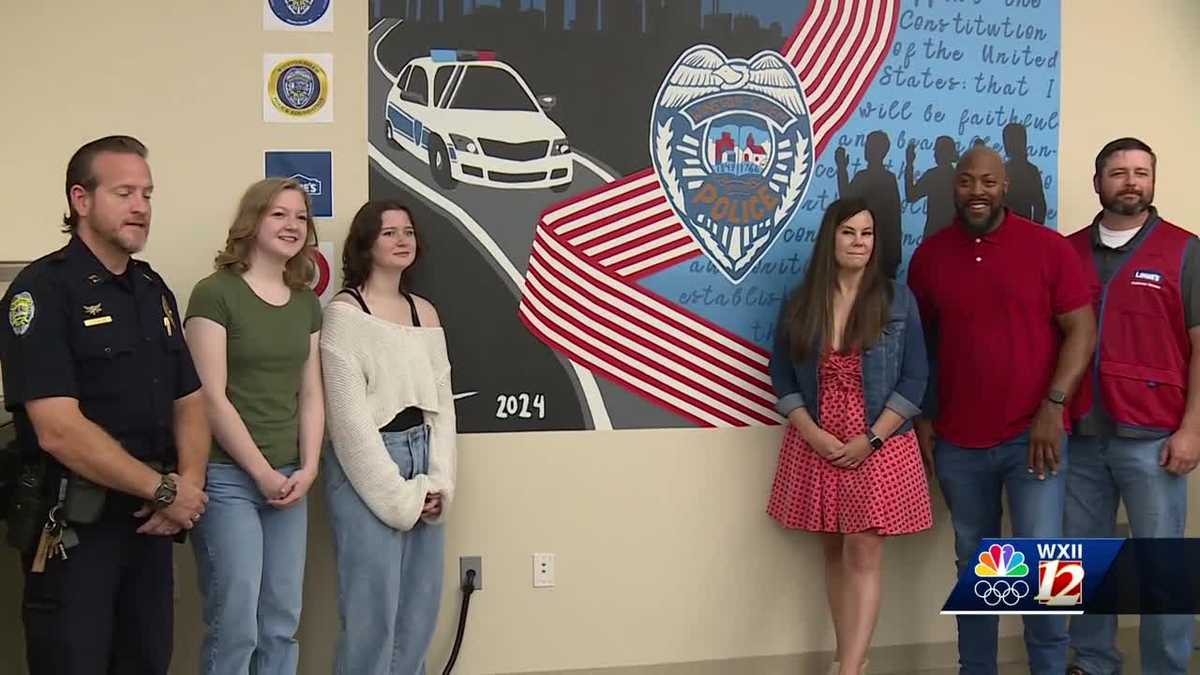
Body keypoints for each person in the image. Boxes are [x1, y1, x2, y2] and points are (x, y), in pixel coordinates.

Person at [0, 135, 209, 674]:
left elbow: (188, 398)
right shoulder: (41, 291)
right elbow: (58, 429)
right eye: (124, 192)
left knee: (146, 661)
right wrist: (164, 489)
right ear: (81, 200)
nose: (140, 206)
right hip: (75, 531)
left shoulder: (151, 289)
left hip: (151, 525)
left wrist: (188, 486)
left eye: (147, 194)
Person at [908, 147, 1096, 675]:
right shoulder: (931, 256)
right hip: (960, 442)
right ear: (954, 187)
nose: (976, 191)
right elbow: (921, 343)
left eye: (987, 181)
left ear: (1005, 184)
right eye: (966, 181)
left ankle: (1051, 669)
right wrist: (925, 417)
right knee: (977, 563)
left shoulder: (1048, 249)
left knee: (1045, 561)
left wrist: (1053, 407)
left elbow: (1082, 329)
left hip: (1033, 437)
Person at [768, 198, 931, 675]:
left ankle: (851, 669)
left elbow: (916, 378)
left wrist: (873, 439)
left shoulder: (899, 299)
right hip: (817, 442)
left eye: (867, 233)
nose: (859, 242)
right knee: (835, 549)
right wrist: (812, 433)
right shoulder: (800, 302)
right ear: (830, 239)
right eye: (849, 232)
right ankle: (849, 657)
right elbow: (782, 374)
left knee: (863, 548)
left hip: (878, 443)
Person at [1063, 137, 1198, 675]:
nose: (1131, 181)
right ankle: (1092, 662)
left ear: (1153, 180)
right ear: (1097, 183)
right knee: (1078, 564)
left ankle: (1166, 667)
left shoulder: (1186, 251)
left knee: (1161, 565)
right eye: (1118, 172)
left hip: (1157, 439)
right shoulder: (1065, 252)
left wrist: (1193, 430)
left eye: (1141, 171)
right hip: (1081, 436)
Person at [185, 177, 324, 675]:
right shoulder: (214, 294)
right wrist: (262, 473)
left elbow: (311, 392)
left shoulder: (306, 302)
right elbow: (211, 398)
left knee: (282, 621)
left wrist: (307, 468)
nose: (292, 226)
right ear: (252, 222)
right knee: (237, 622)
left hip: (290, 479)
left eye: (301, 217)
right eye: (278, 214)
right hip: (228, 479)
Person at [321, 200, 457, 674]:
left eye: (408, 232)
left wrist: (439, 482)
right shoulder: (344, 313)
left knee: (418, 613)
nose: (402, 240)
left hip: (423, 456)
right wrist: (400, 499)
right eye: (388, 233)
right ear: (366, 244)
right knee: (370, 614)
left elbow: (442, 408)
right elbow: (349, 425)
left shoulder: (425, 313)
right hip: (371, 465)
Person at [835, 131, 903, 278]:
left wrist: (841, 167)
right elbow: (847, 200)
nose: (866, 149)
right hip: (871, 251)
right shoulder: (881, 177)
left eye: (869, 146)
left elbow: (894, 218)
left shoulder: (871, 177)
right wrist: (841, 168)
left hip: (881, 251)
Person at [904, 136, 958, 239]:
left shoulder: (933, 175)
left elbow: (911, 196)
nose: (934, 154)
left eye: (937, 150)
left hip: (933, 233)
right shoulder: (958, 176)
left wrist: (909, 164)